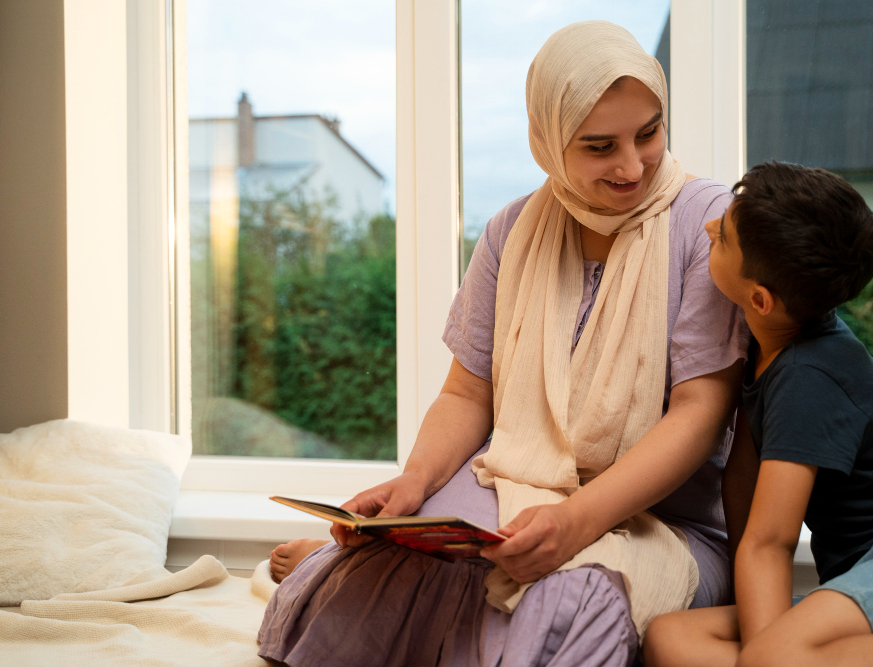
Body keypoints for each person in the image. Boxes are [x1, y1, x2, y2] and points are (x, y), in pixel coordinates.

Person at [259, 20, 748, 667]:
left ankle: (318, 562)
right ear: (548, 142)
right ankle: (326, 561)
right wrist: (415, 481)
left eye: (649, 132)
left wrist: (574, 523)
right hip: (512, 490)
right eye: (599, 145)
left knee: (566, 598)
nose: (632, 165)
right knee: (382, 566)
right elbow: (467, 392)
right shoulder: (511, 230)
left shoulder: (707, 224)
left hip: (662, 523)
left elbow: (699, 414)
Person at [643, 161, 873, 667]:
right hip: (868, 575)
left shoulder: (811, 374)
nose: (706, 228)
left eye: (722, 237)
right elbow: (743, 485)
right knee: (671, 639)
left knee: (770, 656)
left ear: (760, 299)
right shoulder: (766, 345)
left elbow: (771, 542)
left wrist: (766, 653)